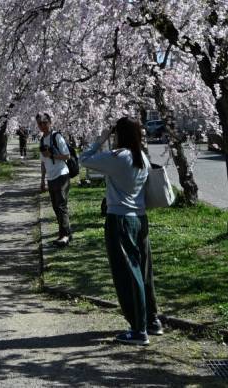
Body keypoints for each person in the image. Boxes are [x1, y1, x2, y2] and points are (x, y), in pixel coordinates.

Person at [80, 116, 161, 346]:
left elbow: (83, 160)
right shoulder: (142, 158)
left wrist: (100, 139)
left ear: (119, 135)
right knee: (144, 270)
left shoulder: (118, 158)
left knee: (128, 274)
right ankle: (152, 320)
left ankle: (138, 329)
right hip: (140, 219)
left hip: (120, 220)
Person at [37, 112, 73, 246]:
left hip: (62, 174)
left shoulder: (56, 136)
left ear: (50, 122)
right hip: (51, 177)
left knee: (61, 205)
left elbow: (67, 156)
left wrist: (51, 155)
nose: (43, 125)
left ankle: (64, 236)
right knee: (55, 207)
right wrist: (42, 180)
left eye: (45, 122)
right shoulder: (41, 140)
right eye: (40, 123)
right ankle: (66, 233)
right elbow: (43, 162)